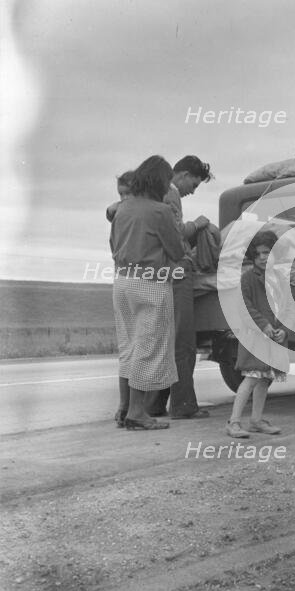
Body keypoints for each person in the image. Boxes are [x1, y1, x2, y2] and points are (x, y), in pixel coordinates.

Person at [110, 155, 184, 430]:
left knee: (128, 345)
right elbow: (176, 250)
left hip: (122, 282)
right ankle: (137, 413)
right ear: (160, 182)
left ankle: (123, 407)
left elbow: (113, 246)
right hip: (150, 283)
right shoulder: (160, 211)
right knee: (148, 345)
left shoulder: (122, 208)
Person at [145, 155, 213, 419]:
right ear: (182, 175)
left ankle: (154, 404)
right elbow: (175, 233)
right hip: (177, 271)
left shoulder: (152, 194)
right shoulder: (171, 195)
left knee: (163, 340)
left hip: (157, 273)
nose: (192, 191)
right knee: (183, 341)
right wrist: (198, 225)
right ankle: (183, 405)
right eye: (193, 185)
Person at [226, 230, 288, 438]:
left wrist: (282, 329)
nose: (263, 257)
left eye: (268, 252)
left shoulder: (279, 279)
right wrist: (263, 325)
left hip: (272, 339)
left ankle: (256, 420)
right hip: (254, 337)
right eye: (259, 253)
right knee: (251, 378)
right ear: (252, 255)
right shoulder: (247, 279)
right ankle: (233, 422)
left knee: (264, 380)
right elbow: (245, 307)